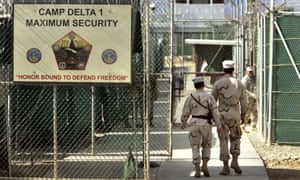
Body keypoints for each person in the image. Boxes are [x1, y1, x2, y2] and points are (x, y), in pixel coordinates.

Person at [211, 60, 248, 176]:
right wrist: (243, 114)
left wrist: (213, 116)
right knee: (236, 137)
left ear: (223, 69)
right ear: (233, 70)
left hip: (222, 114)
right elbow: (244, 101)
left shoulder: (218, 84)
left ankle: (225, 166)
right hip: (235, 113)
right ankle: (235, 161)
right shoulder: (239, 83)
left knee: (223, 139)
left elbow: (212, 101)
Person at [181, 76, 222, 178]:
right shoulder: (210, 97)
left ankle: (197, 169)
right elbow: (215, 113)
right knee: (207, 145)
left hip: (194, 123)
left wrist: (183, 123)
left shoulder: (190, 97)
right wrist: (218, 125)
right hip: (206, 124)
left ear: (195, 86)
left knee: (195, 146)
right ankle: (204, 165)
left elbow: (186, 112)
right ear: (203, 85)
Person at [241, 66, 257, 132]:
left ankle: (253, 126)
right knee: (248, 113)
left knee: (254, 112)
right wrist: (251, 94)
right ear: (246, 72)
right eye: (249, 72)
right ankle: (243, 126)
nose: (251, 73)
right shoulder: (245, 79)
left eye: (251, 72)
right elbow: (244, 90)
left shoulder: (253, 78)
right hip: (248, 98)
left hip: (254, 97)